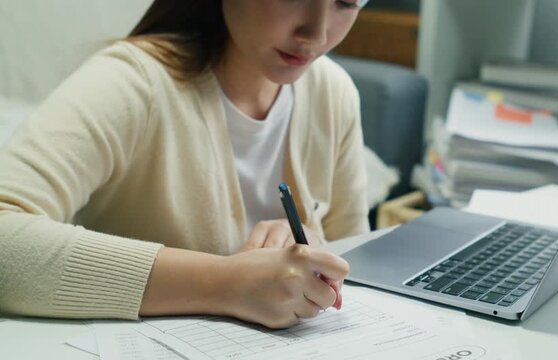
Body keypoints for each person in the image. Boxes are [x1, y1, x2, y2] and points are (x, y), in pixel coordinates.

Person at [0, 0, 370, 329]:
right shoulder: (135, 82)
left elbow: (360, 256)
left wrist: (316, 253)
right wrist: (225, 283)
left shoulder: (333, 93)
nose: (316, 33)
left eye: (346, 2)